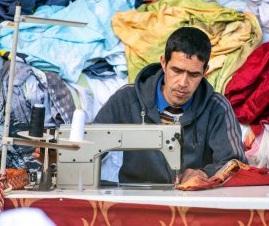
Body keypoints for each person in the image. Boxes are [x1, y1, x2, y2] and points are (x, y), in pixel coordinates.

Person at [93, 26, 247, 185]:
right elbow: (90, 146)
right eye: (176, 70)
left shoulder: (217, 108)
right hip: (136, 199)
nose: (183, 83)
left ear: (205, 71)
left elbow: (236, 164)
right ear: (163, 63)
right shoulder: (127, 99)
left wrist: (205, 173)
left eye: (194, 75)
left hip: (193, 201)